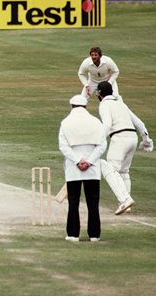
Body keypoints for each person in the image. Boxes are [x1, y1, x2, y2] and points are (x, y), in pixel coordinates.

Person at [97, 81, 153, 214]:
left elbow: (107, 124)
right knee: (123, 171)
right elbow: (139, 123)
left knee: (108, 169)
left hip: (119, 138)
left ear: (99, 94)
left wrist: (98, 142)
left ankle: (124, 200)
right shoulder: (121, 103)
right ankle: (127, 205)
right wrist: (146, 140)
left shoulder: (104, 104)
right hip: (132, 138)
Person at [59, 95, 106, 242]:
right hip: (92, 169)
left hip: (74, 168)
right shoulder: (96, 122)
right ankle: (94, 235)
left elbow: (63, 146)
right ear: (85, 107)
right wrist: (89, 161)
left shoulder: (66, 122)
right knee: (93, 202)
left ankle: (73, 234)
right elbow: (102, 145)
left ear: (72, 106)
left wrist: (78, 161)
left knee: (73, 201)